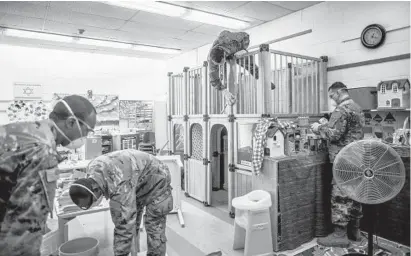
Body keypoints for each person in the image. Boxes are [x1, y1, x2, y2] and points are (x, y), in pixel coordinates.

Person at [0, 95, 97, 256]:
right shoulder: (43, 152)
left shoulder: (23, 130)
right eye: (86, 131)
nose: (85, 138)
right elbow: (24, 227)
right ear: (71, 122)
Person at [69, 149, 173, 256]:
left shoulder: (119, 186)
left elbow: (123, 227)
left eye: (92, 203)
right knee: (132, 222)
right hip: (136, 179)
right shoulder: (92, 168)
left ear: (96, 191)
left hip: (158, 179)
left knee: (154, 226)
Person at [311, 82, 365, 247]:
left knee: (340, 196)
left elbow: (334, 135)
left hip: (343, 161)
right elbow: (347, 131)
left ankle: (339, 235)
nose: (332, 100)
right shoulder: (357, 108)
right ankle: (355, 232)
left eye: (332, 96)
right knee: (355, 195)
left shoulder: (341, 110)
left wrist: (318, 127)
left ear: (340, 92)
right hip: (357, 159)